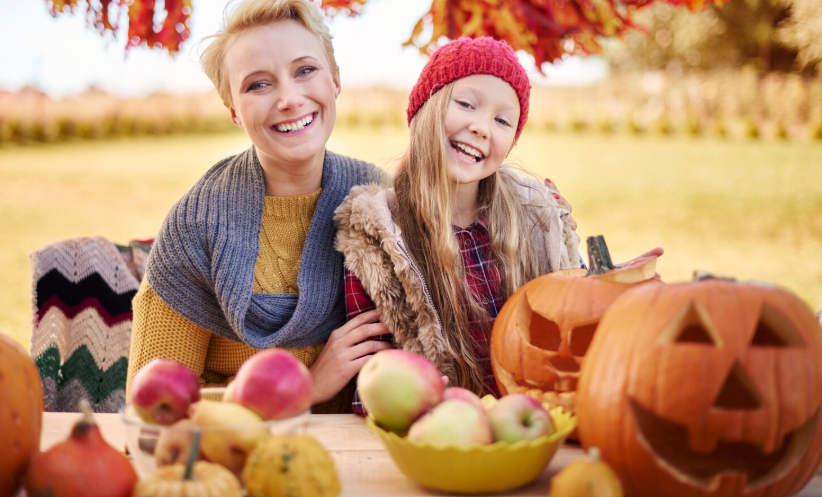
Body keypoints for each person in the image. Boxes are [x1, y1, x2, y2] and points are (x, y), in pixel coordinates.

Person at [335, 37, 662, 406]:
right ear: (426, 107)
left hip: (535, 426)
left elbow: (579, 308)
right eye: (466, 104)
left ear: (511, 143)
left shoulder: (534, 220)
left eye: (502, 120)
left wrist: (623, 290)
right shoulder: (379, 238)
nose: (482, 127)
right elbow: (374, 385)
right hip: (438, 439)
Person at [125, 0, 393, 413]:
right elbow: (154, 412)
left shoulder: (379, 200)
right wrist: (304, 386)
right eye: (258, 85)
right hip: (235, 459)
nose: (289, 98)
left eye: (305, 70)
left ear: (335, 80)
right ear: (233, 110)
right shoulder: (196, 225)